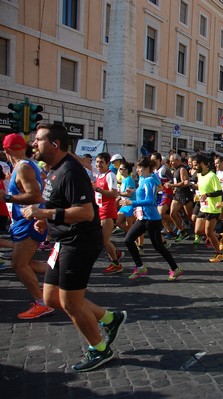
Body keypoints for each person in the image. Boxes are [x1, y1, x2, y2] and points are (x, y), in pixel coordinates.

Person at [26, 123, 126, 372]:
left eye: (38, 140)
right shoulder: (53, 169)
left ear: (54, 144)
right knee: (51, 297)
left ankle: (100, 349)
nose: (33, 144)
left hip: (79, 241)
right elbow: (59, 204)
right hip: (62, 241)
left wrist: (45, 212)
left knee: (70, 301)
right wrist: (46, 220)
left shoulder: (71, 172)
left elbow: (84, 212)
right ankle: (109, 318)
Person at [0, 133, 53, 319]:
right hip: (25, 221)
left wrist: (7, 197)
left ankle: (42, 303)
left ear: (6, 150)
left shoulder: (23, 167)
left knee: (19, 264)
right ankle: (63, 273)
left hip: (28, 222)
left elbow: (35, 195)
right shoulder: (24, 166)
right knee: (26, 263)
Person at [121, 156, 183, 280]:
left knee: (158, 246)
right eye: (137, 167)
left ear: (146, 168)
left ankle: (175, 269)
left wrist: (131, 203)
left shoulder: (149, 180)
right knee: (128, 240)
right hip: (143, 218)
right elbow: (147, 191)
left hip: (152, 219)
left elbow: (150, 201)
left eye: (139, 167)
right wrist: (133, 191)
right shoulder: (144, 179)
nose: (137, 170)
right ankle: (140, 267)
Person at [192, 154, 223, 263]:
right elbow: (201, 189)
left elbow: (219, 191)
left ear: (202, 164)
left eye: (196, 165)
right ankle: (220, 236)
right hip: (203, 207)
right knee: (197, 230)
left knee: (208, 232)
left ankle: (219, 254)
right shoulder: (199, 175)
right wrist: (197, 195)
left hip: (213, 208)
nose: (194, 168)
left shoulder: (212, 176)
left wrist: (207, 194)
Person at [94, 152, 123, 274]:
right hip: (99, 209)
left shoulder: (110, 175)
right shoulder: (99, 176)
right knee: (101, 239)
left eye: (101, 162)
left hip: (107, 210)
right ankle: (115, 252)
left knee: (104, 240)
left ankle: (116, 264)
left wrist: (98, 189)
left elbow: (114, 193)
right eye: (97, 162)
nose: (98, 164)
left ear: (107, 163)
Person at [167, 154, 194, 242]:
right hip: (177, 195)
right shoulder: (175, 170)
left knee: (190, 217)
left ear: (178, 160)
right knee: (172, 213)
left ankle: (200, 232)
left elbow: (185, 183)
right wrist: (174, 188)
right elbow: (177, 182)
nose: (171, 163)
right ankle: (182, 231)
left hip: (185, 195)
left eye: (172, 161)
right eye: (170, 161)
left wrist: (172, 185)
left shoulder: (182, 169)